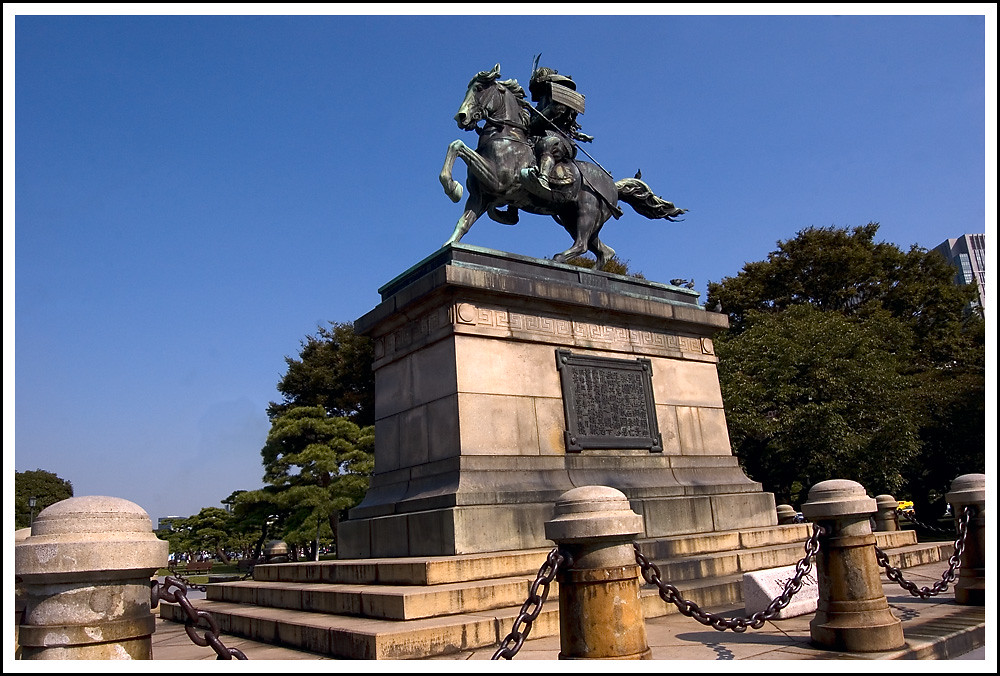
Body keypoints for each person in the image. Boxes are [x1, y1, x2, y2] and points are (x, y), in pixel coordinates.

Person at [522, 64, 593, 203]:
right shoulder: (538, 104)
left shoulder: (559, 99)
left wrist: (538, 118)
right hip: (537, 137)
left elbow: (556, 111)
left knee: (547, 144)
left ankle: (543, 177)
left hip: (559, 139)